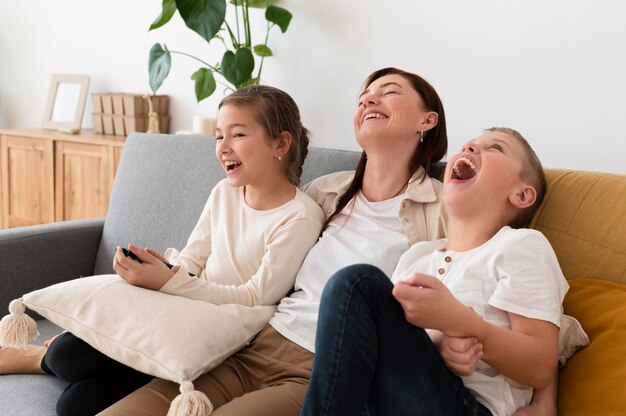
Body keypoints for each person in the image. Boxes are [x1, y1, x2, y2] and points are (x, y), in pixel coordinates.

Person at [97, 67, 448, 416]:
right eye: (363, 97)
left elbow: (467, 282)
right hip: (250, 346)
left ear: (427, 120)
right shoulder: (324, 192)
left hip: (316, 371)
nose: (369, 98)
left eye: (388, 92)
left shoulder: (443, 208)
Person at [0, 85, 325, 416]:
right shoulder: (224, 193)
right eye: (218, 136)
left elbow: (257, 297)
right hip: (184, 310)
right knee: (66, 354)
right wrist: (161, 268)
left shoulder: (299, 216)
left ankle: (44, 358)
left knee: (73, 406)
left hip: (221, 337)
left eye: (237, 135)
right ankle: (41, 357)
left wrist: (170, 281)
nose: (223, 148)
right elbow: (193, 257)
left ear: (280, 143)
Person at [301, 127, 568, 416]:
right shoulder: (419, 256)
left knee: (357, 284)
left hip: (470, 405)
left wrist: (468, 326)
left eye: (495, 148)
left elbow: (541, 364)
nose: (469, 147)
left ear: (522, 195)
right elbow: (391, 348)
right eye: (470, 143)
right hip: (395, 400)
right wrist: (439, 344)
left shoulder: (520, 245)